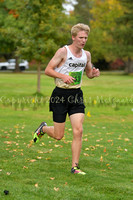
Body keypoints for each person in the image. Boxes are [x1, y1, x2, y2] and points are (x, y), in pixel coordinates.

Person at [33, 23, 100, 175]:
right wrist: (63, 76)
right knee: (59, 135)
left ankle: (75, 167)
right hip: (60, 95)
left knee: (78, 130)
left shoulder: (86, 55)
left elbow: (88, 73)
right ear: (73, 37)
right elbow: (48, 70)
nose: (83, 40)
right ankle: (43, 128)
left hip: (76, 95)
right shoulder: (63, 51)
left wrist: (94, 74)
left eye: (86, 38)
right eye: (81, 37)